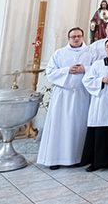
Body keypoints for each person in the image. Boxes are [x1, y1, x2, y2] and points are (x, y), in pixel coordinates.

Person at [37, 27, 92, 169]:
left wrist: (84, 69)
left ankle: (77, 158)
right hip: (63, 96)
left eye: (79, 36)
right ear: (69, 38)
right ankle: (54, 159)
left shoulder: (90, 52)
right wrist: (67, 70)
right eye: (73, 36)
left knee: (78, 126)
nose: (76, 38)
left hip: (82, 95)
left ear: (83, 37)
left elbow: (97, 69)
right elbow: (50, 72)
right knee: (59, 126)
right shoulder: (59, 53)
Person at [81, 37, 108, 171]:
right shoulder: (97, 64)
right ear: (105, 49)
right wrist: (102, 80)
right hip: (101, 102)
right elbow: (86, 80)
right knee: (99, 133)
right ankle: (95, 162)